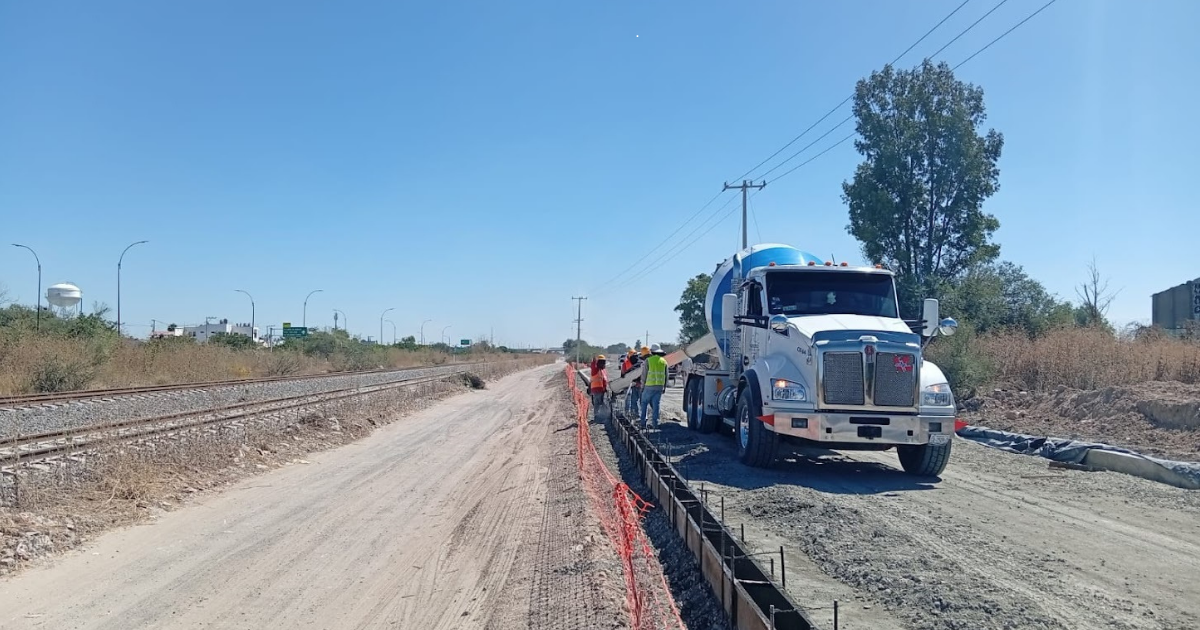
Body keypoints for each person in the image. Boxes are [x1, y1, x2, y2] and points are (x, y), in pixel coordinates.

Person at [639, 344, 668, 429]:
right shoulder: (664, 361)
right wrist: (664, 387)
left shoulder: (648, 360)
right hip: (659, 387)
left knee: (644, 403)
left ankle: (643, 423)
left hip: (649, 386)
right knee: (656, 405)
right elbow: (666, 375)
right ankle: (655, 424)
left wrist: (642, 386)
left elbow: (644, 375)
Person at [589, 355, 609, 419]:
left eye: (603, 362)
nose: (603, 363)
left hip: (602, 390)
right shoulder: (595, 369)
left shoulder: (603, 370)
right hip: (596, 390)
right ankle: (597, 416)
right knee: (597, 403)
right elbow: (593, 366)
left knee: (601, 403)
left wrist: (605, 388)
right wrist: (594, 360)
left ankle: (601, 415)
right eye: (601, 362)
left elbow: (604, 380)